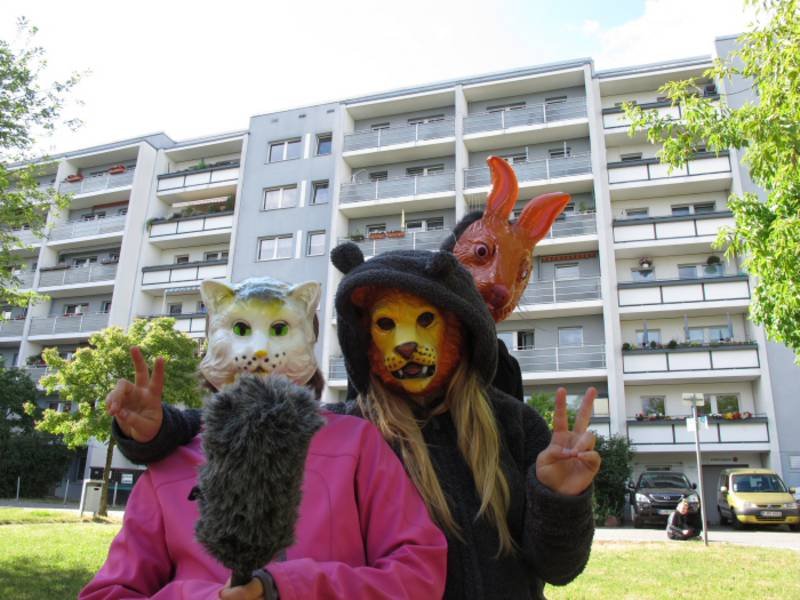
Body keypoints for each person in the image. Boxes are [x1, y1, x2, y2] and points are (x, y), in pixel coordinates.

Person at [82, 278, 447, 600]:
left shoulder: (355, 445)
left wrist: (293, 588)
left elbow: (417, 573)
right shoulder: (171, 464)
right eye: (241, 328)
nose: (259, 351)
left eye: (279, 329)